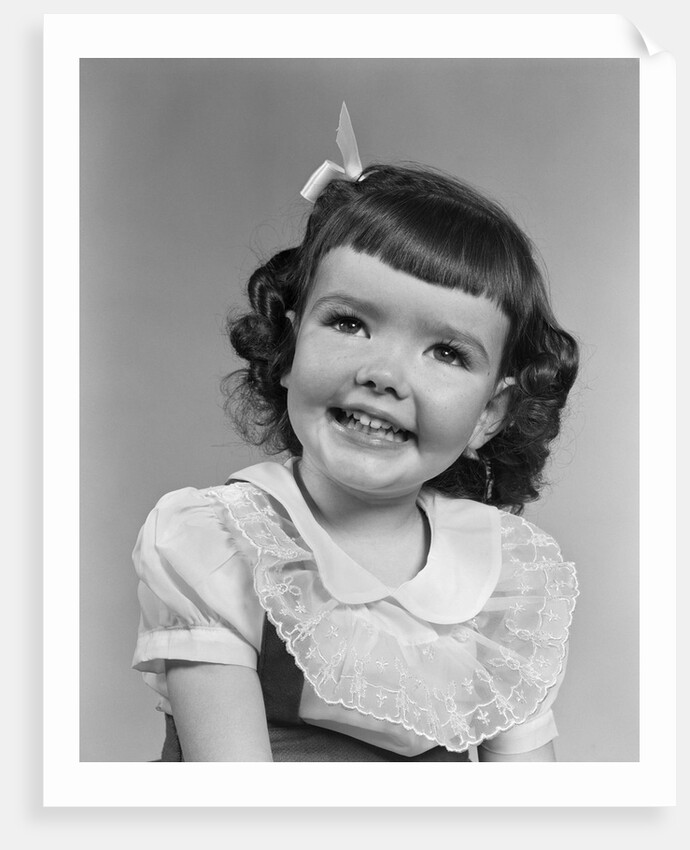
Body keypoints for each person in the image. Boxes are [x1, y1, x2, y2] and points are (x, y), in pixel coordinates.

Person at [132, 105, 579, 762]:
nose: (384, 374)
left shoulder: (504, 577)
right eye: (349, 323)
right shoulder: (219, 542)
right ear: (288, 344)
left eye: (447, 353)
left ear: (490, 414)